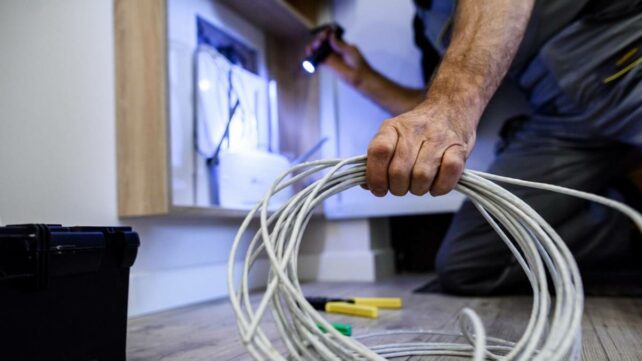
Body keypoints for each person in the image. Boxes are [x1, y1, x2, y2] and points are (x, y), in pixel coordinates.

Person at [308, 0, 642, 294]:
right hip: (562, 122)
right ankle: (628, 217)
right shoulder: (426, 22)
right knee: (468, 264)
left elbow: (449, 102)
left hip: (625, 57)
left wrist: (452, 104)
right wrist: (361, 78)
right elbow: (426, 106)